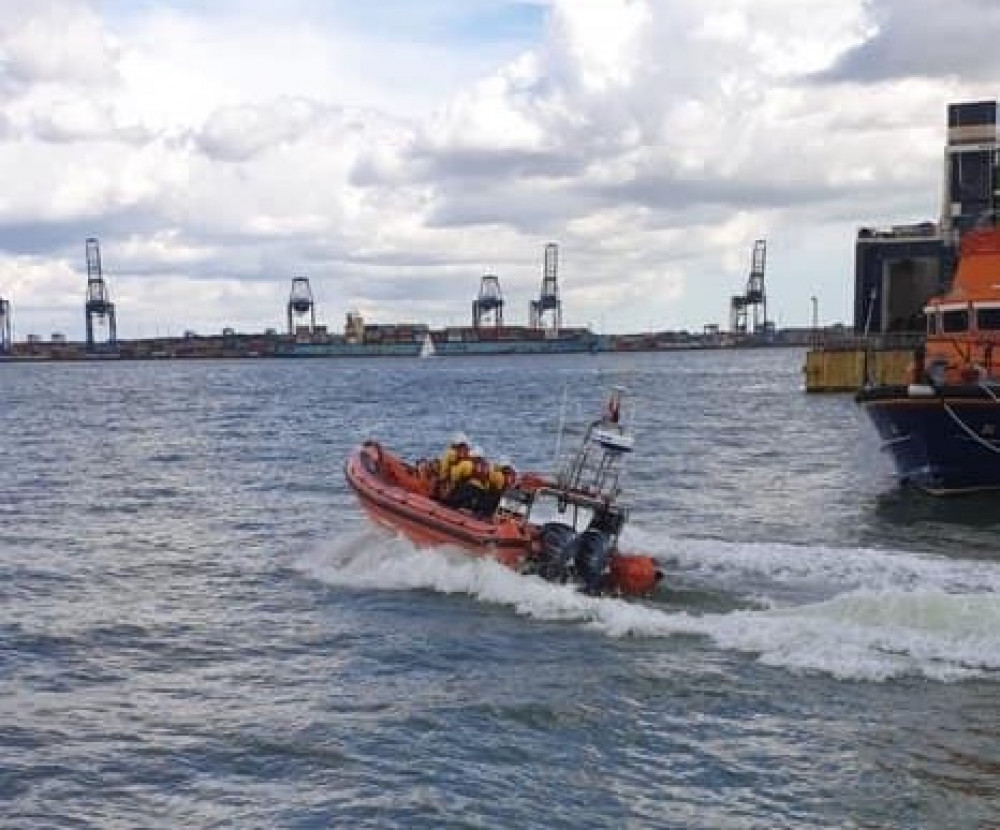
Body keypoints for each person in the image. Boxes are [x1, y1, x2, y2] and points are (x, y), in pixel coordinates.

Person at [447, 445, 489, 512]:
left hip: (469, 488)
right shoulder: (486, 466)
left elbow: (456, 476)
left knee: (456, 496)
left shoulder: (467, 463)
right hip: (482, 492)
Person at [436, 432, 470, 499]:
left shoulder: (450, 453)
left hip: (455, 482)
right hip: (454, 482)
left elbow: (444, 470)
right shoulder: (453, 454)